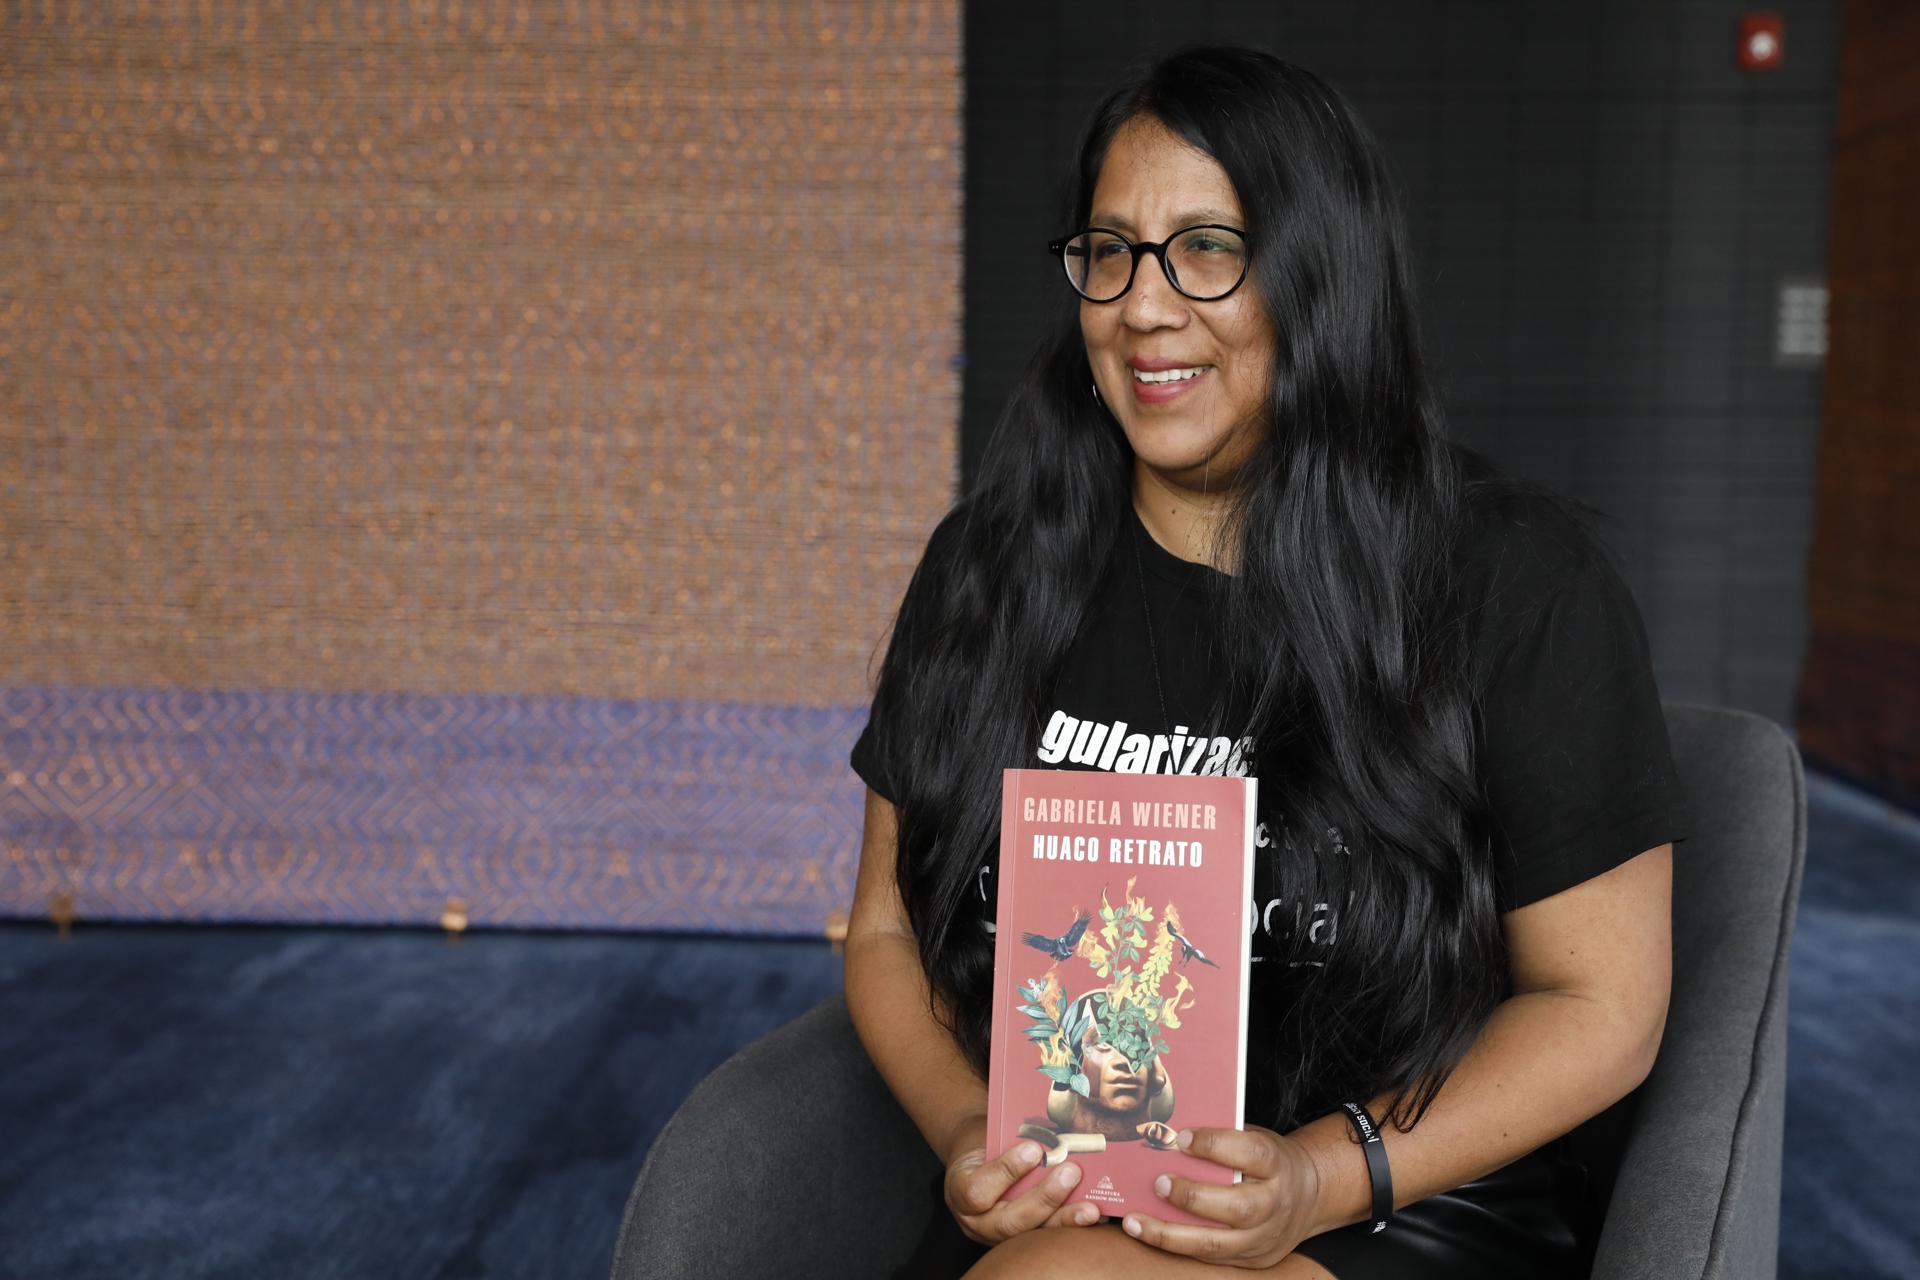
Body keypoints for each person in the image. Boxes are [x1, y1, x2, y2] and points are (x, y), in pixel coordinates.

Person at [841, 44, 1689, 1279]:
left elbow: (1603, 1005)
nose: (1141, 303)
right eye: (1111, 250)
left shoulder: (1516, 584)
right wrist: (971, 1128)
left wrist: (1316, 1175)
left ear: (1318, 276)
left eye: (1207, 248)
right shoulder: (990, 567)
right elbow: (884, 934)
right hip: (1063, 1202)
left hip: (1395, 1205)